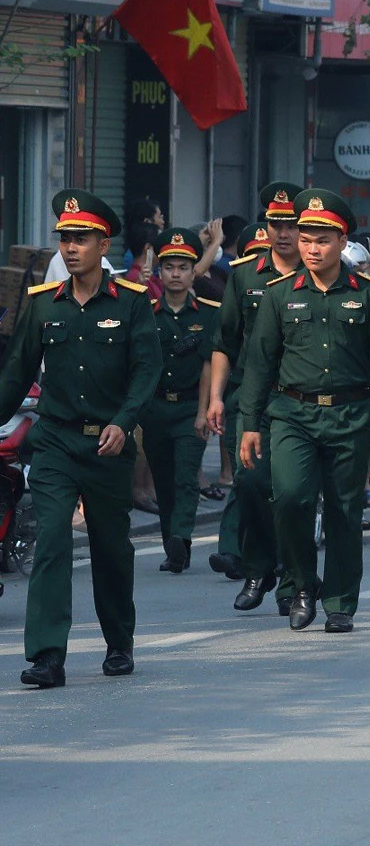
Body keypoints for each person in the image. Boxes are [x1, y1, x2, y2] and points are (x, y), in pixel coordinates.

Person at [232, 190, 370, 631]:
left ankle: (341, 601)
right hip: (292, 414)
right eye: (306, 239)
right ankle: (301, 583)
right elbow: (259, 363)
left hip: (350, 416)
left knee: (344, 510)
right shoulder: (278, 295)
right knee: (290, 497)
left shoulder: (369, 295)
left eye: (322, 240)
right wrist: (250, 426)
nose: (311, 248)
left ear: (341, 240)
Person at [9, 192, 161, 688]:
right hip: (54, 442)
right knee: (51, 540)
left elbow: (146, 371)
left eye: (81, 239)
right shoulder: (40, 306)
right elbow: (16, 374)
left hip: (107, 446)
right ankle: (47, 656)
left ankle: (119, 641)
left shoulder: (133, 304)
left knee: (111, 547)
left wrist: (124, 420)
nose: (71, 248)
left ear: (103, 244)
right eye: (65, 239)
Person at [204, 182, 303, 610]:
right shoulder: (245, 274)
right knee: (248, 484)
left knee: (291, 493)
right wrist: (215, 398)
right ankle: (261, 566)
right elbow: (224, 341)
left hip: (300, 400)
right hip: (250, 399)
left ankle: (289, 579)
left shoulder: (318, 272)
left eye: (291, 225)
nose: (283, 233)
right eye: (275, 224)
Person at [141, 229, 218, 575]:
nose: (175, 273)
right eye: (169, 267)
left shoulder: (207, 313)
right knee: (164, 480)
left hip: (190, 409)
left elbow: (208, 367)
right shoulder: (145, 312)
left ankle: (181, 539)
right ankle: (171, 544)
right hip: (155, 409)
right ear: (160, 272)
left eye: (183, 267)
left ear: (193, 273)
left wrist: (204, 412)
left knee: (186, 477)